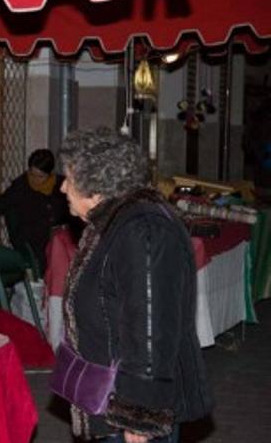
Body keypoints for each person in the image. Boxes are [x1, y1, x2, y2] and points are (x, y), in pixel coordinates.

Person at [57, 128, 212, 442]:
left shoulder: (143, 232)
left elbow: (151, 330)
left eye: (69, 180)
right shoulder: (115, 222)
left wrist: (138, 419)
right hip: (108, 403)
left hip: (126, 416)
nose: (62, 188)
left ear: (96, 187)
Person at [0, 148, 71, 270]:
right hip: (31, 242)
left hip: (58, 240)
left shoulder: (61, 186)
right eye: (32, 174)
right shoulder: (21, 187)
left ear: (49, 174)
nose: (35, 180)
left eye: (40, 176)